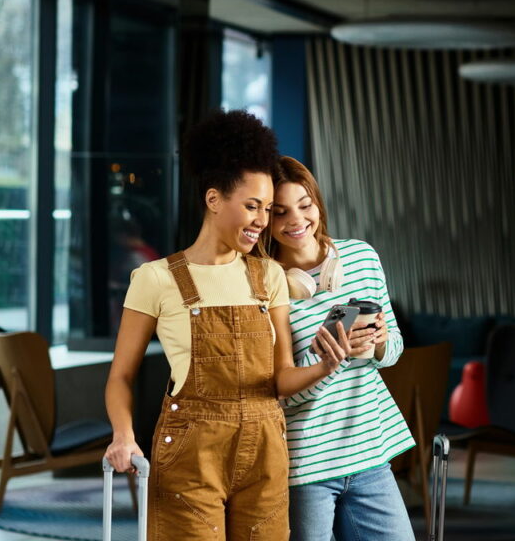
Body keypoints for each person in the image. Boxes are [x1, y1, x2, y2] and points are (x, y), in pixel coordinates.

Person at [104, 111, 346, 539]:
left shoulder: (268, 275)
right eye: (251, 206)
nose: (260, 220)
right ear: (214, 200)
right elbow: (121, 376)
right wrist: (123, 436)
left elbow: (280, 378)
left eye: (267, 209)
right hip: (190, 455)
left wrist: (325, 366)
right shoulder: (156, 278)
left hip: (266, 454)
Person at [265, 157, 415, 541]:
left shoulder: (362, 257)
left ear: (317, 203)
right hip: (305, 467)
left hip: (370, 455)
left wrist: (379, 344)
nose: (296, 220)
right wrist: (330, 356)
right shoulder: (264, 286)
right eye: (279, 212)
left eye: (305, 204)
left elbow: (395, 350)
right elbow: (279, 396)